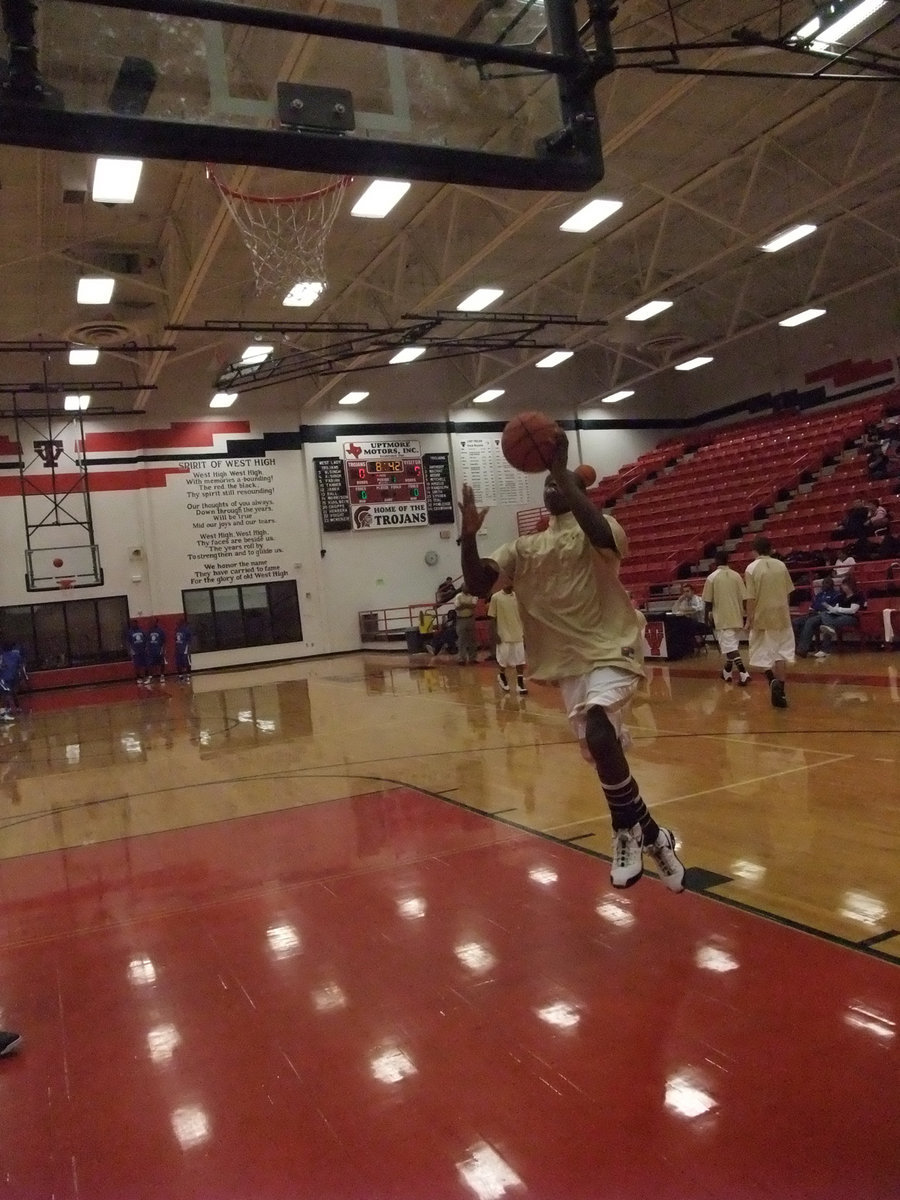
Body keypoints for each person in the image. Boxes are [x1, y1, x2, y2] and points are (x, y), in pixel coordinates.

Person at [458, 432, 685, 893]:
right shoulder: (525, 548)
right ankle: (651, 833)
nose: (552, 486)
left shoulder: (602, 528)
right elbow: (480, 584)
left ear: (579, 493)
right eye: (546, 483)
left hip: (613, 648)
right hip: (570, 667)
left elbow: (601, 533)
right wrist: (467, 536)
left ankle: (622, 831)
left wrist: (564, 473)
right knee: (603, 753)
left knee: (600, 727)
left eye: (560, 482)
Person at [744, 535, 795, 709]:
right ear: (771, 549)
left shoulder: (751, 568)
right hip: (782, 616)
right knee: (781, 655)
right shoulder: (781, 565)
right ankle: (781, 691)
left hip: (762, 616)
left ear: (754, 550)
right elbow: (788, 592)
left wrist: (748, 619)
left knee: (760, 654)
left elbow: (750, 597)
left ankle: (771, 679)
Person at [701, 551, 750, 684]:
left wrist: (706, 619)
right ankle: (726, 672)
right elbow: (745, 597)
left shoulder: (712, 578)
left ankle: (744, 673)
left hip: (722, 618)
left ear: (716, 561)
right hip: (737, 617)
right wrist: (746, 615)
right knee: (731, 646)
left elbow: (708, 601)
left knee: (731, 649)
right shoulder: (737, 576)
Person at [488, 584, 527, 695]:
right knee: (503, 660)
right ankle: (501, 676)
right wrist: (495, 634)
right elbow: (492, 617)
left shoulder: (518, 597)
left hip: (518, 634)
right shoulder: (495, 597)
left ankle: (520, 683)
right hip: (503, 635)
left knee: (520, 660)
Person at [816, 575, 866, 657]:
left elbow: (852, 610)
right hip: (838, 615)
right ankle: (829, 629)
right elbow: (835, 607)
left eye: (844, 585)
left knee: (829, 625)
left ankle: (825, 649)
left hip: (851, 617)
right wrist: (828, 607)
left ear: (850, 585)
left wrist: (838, 610)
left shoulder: (857, 596)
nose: (842, 587)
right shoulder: (841, 596)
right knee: (824, 614)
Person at [793, 573, 841, 657]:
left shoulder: (836, 595)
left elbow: (833, 609)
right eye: (823, 583)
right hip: (814, 613)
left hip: (825, 615)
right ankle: (808, 646)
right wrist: (812, 610)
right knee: (796, 622)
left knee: (810, 622)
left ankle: (803, 649)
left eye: (827, 583)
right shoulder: (819, 595)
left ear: (831, 584)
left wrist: (821, 609)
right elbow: (813, 606)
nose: (824, 585)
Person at [0, 642, 26, 719]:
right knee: (6, 694)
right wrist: (23, 678)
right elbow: (21, 667)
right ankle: (3, 713)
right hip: (6, 678)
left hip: (7, 678)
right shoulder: (16, 655)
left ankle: (5, 711)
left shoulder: (3, 656)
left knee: (7, 694)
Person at [454, 588, 479, 665]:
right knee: (461, 639)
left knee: (472, 639)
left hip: (470, 618)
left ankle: (473, 658)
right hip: (461, 619)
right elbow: (457, 607)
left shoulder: (474, 596)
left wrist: (463, 604)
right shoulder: (458, 596)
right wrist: (468, 605)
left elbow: (473, 605)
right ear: (462, 588)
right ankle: (461, 658)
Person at [126, 619, 149, 686]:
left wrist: (146, 647)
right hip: (135, 651)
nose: (134, 625)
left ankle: (146, 676)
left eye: (135, 623)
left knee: (145, 664)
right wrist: (130, 650)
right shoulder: (130, 632)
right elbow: (128, 642)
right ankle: (138, 677)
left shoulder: (142, 631)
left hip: (143, 650)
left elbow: (146, 640)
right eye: (132, 624)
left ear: (137, 624)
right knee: (137, 665)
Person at [146, 619, 167, 684]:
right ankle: (150, 677)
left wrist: (163, 650)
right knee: (150, 664)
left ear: (157, 622)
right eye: (152, 621)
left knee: (161, 663)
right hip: (151, 650)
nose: (153, 623)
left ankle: (162, 676)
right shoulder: (149, 631)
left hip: (159, 650)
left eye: (154, 621)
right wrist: (147, 648)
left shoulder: (161, 631)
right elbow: (147, 641)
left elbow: (164, 641)